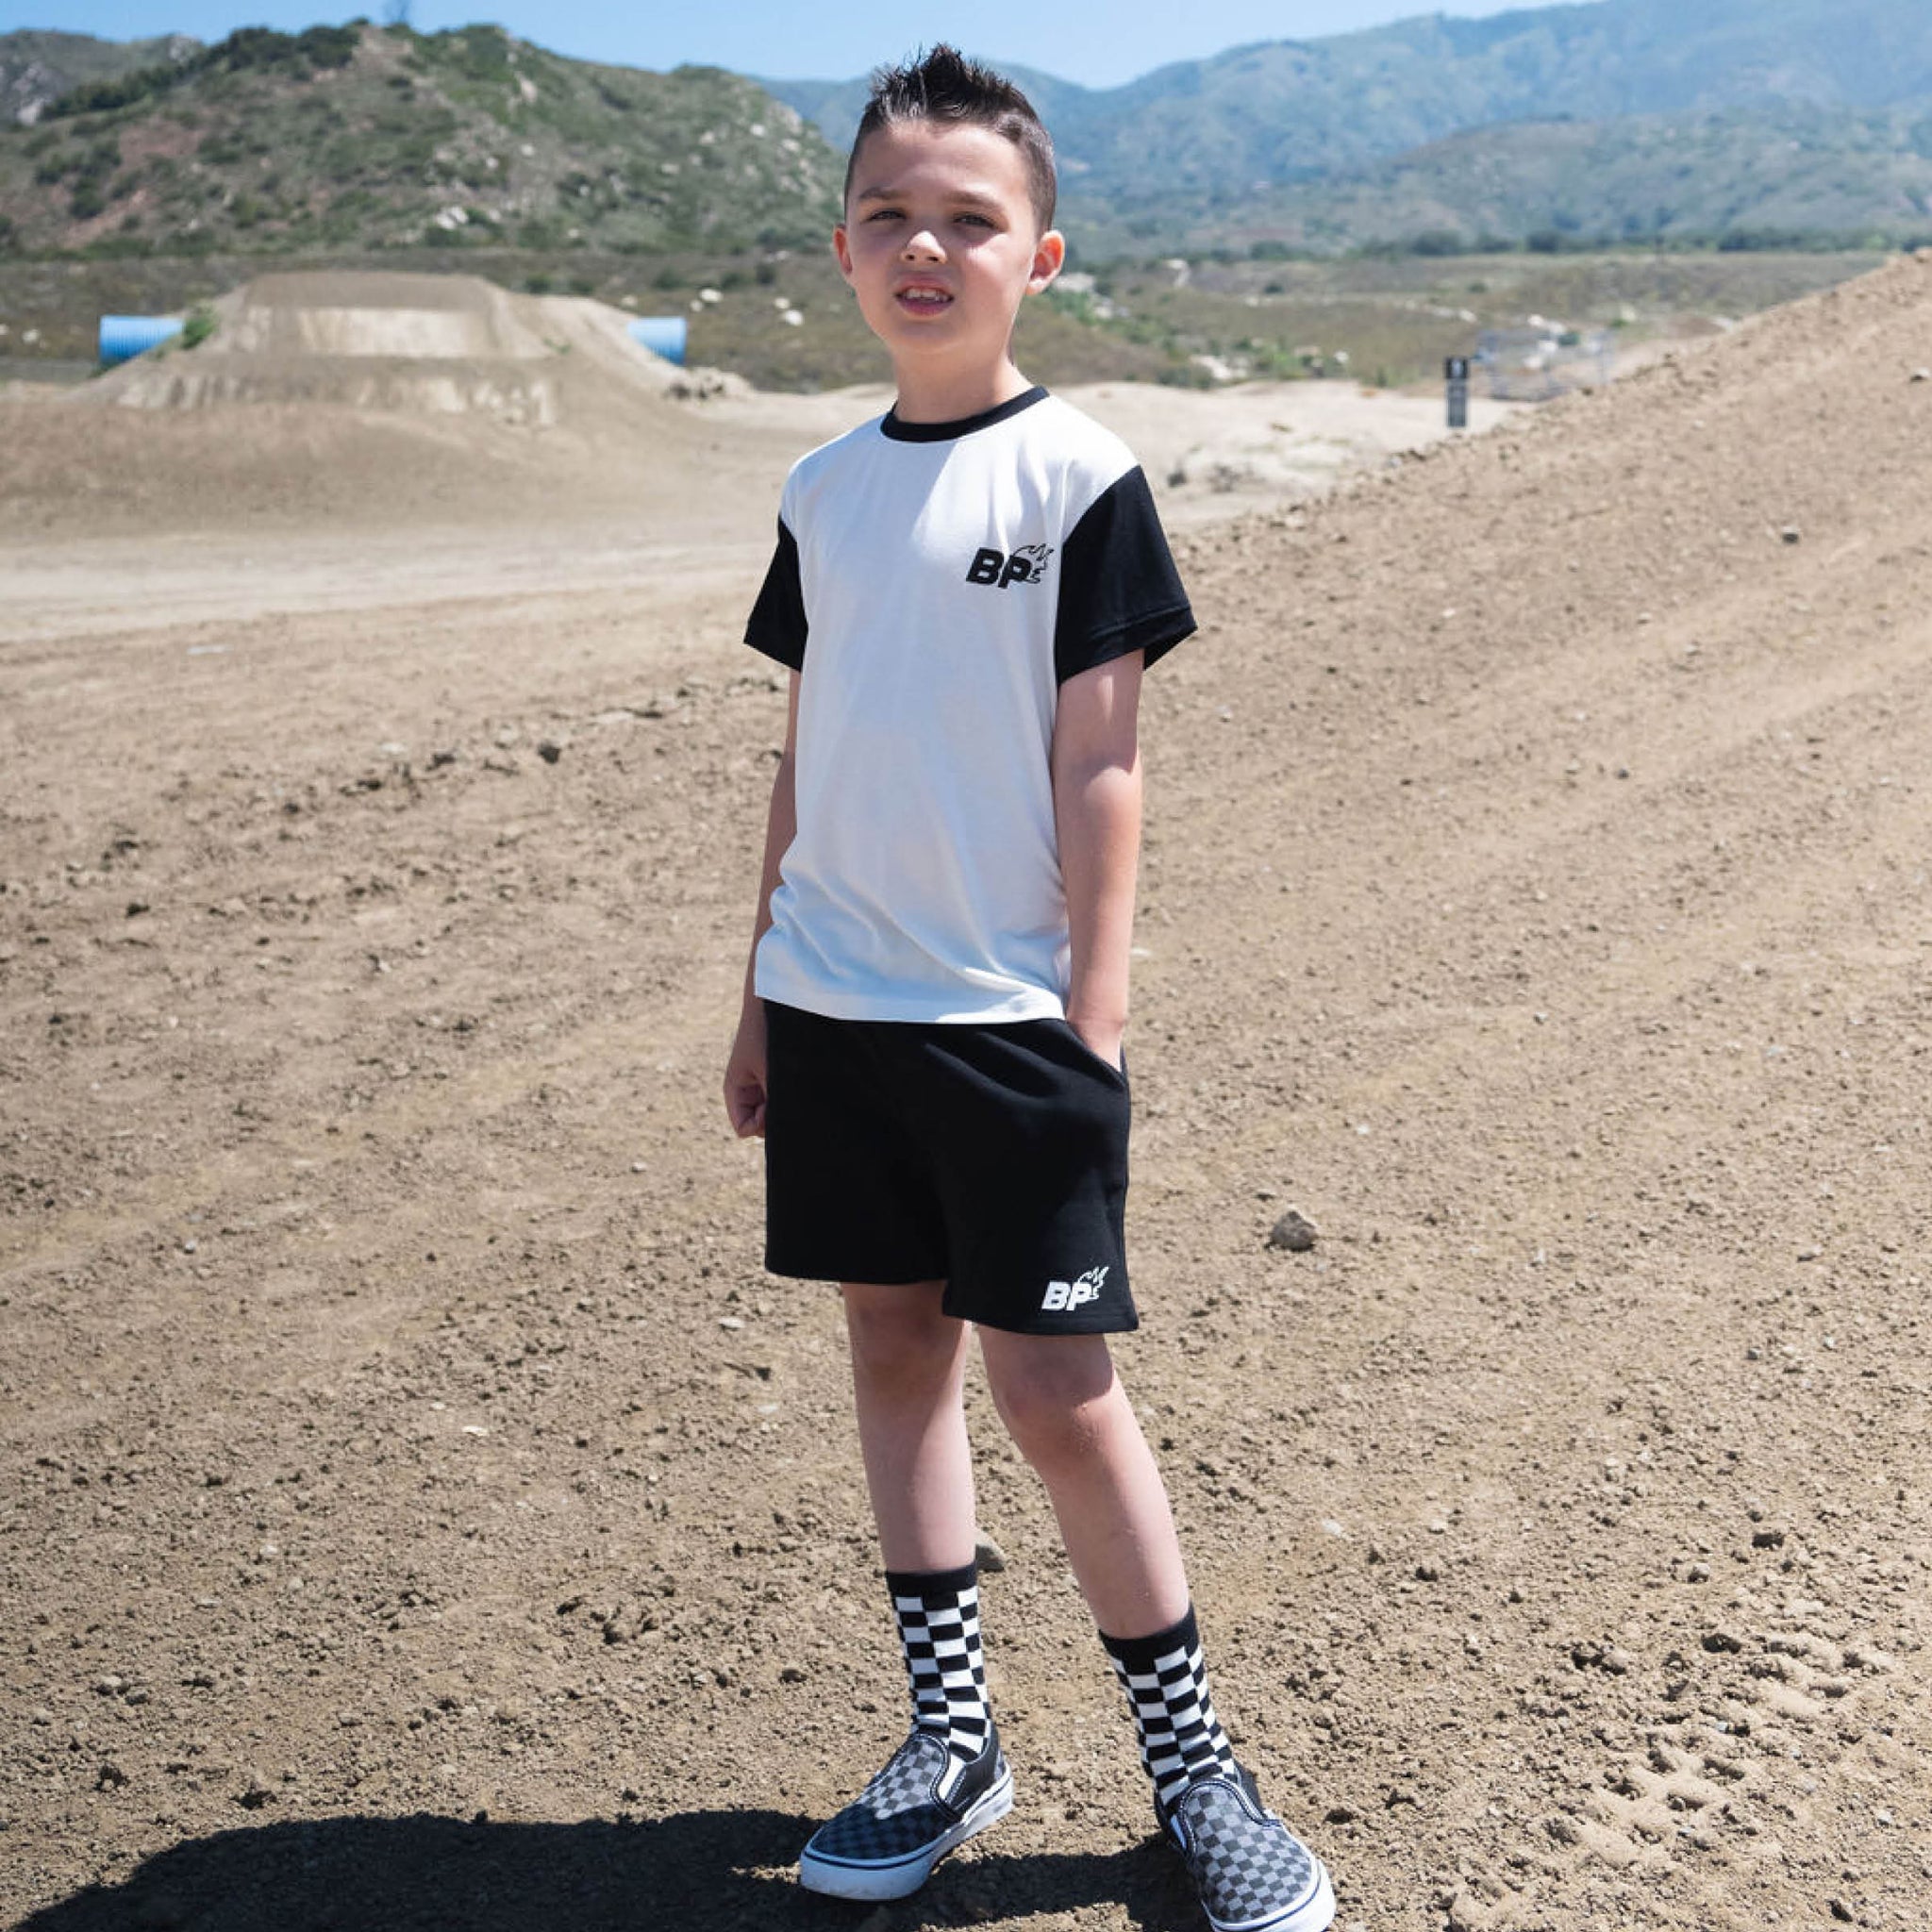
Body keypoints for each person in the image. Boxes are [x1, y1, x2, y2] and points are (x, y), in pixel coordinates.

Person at [722, 44, 1336, 1932]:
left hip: (1007, 1024)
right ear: (843, 248)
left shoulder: (1081, 478)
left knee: (1059, 1389)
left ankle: (1198, 1775)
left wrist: (1098, 1013)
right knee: (892, 1352)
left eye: (967, 220)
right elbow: (806, 750)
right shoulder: (823, 490)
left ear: (1038, 256)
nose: (926, 247)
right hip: (836, 1006)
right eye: (888, 215)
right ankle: (952, 1738)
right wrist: (755, 992)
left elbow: (1102, 760)